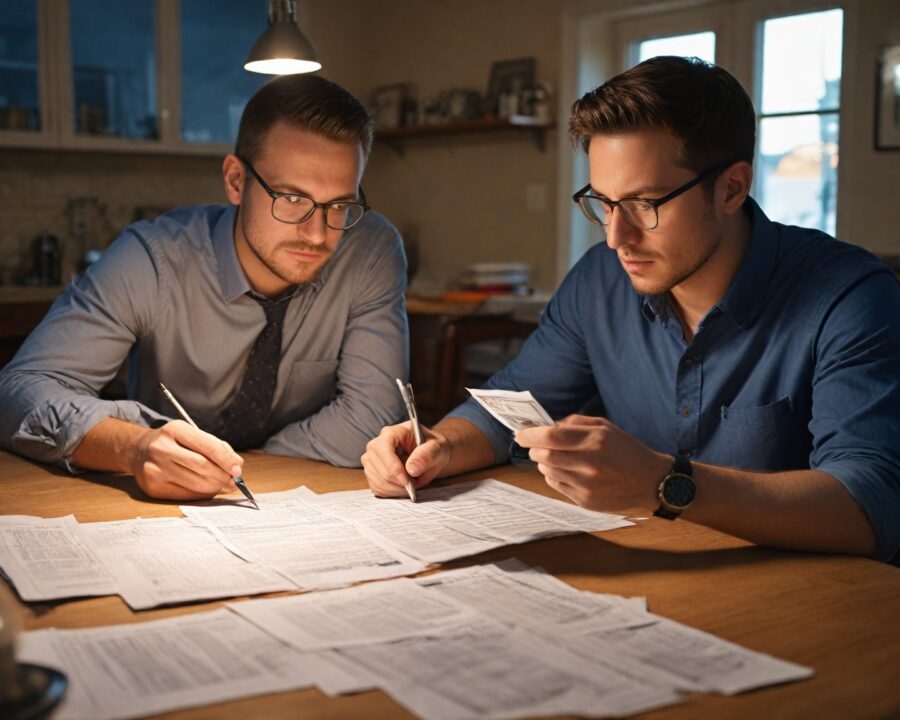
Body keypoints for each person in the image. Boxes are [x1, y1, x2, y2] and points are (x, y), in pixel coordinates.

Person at [361, 56, 900, 564]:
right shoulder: (600, 281)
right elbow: (509, 410)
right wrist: (436, 446)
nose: (618, 236)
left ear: (732, 187)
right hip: (655, 575)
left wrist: (663, 485)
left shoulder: (849, 296)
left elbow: (870, 505)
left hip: (811, 602)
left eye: (646, 203)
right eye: (604, 202)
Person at [0, 74, 408, 501]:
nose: (318, 234)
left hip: (302, 501)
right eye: (291, 198)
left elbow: (372, 417)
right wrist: (134, 446)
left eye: (340, 205)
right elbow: (17, 393)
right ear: (235, 181)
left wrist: (242, 465)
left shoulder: (370, 251)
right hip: (158, 508)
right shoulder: (151, 260)